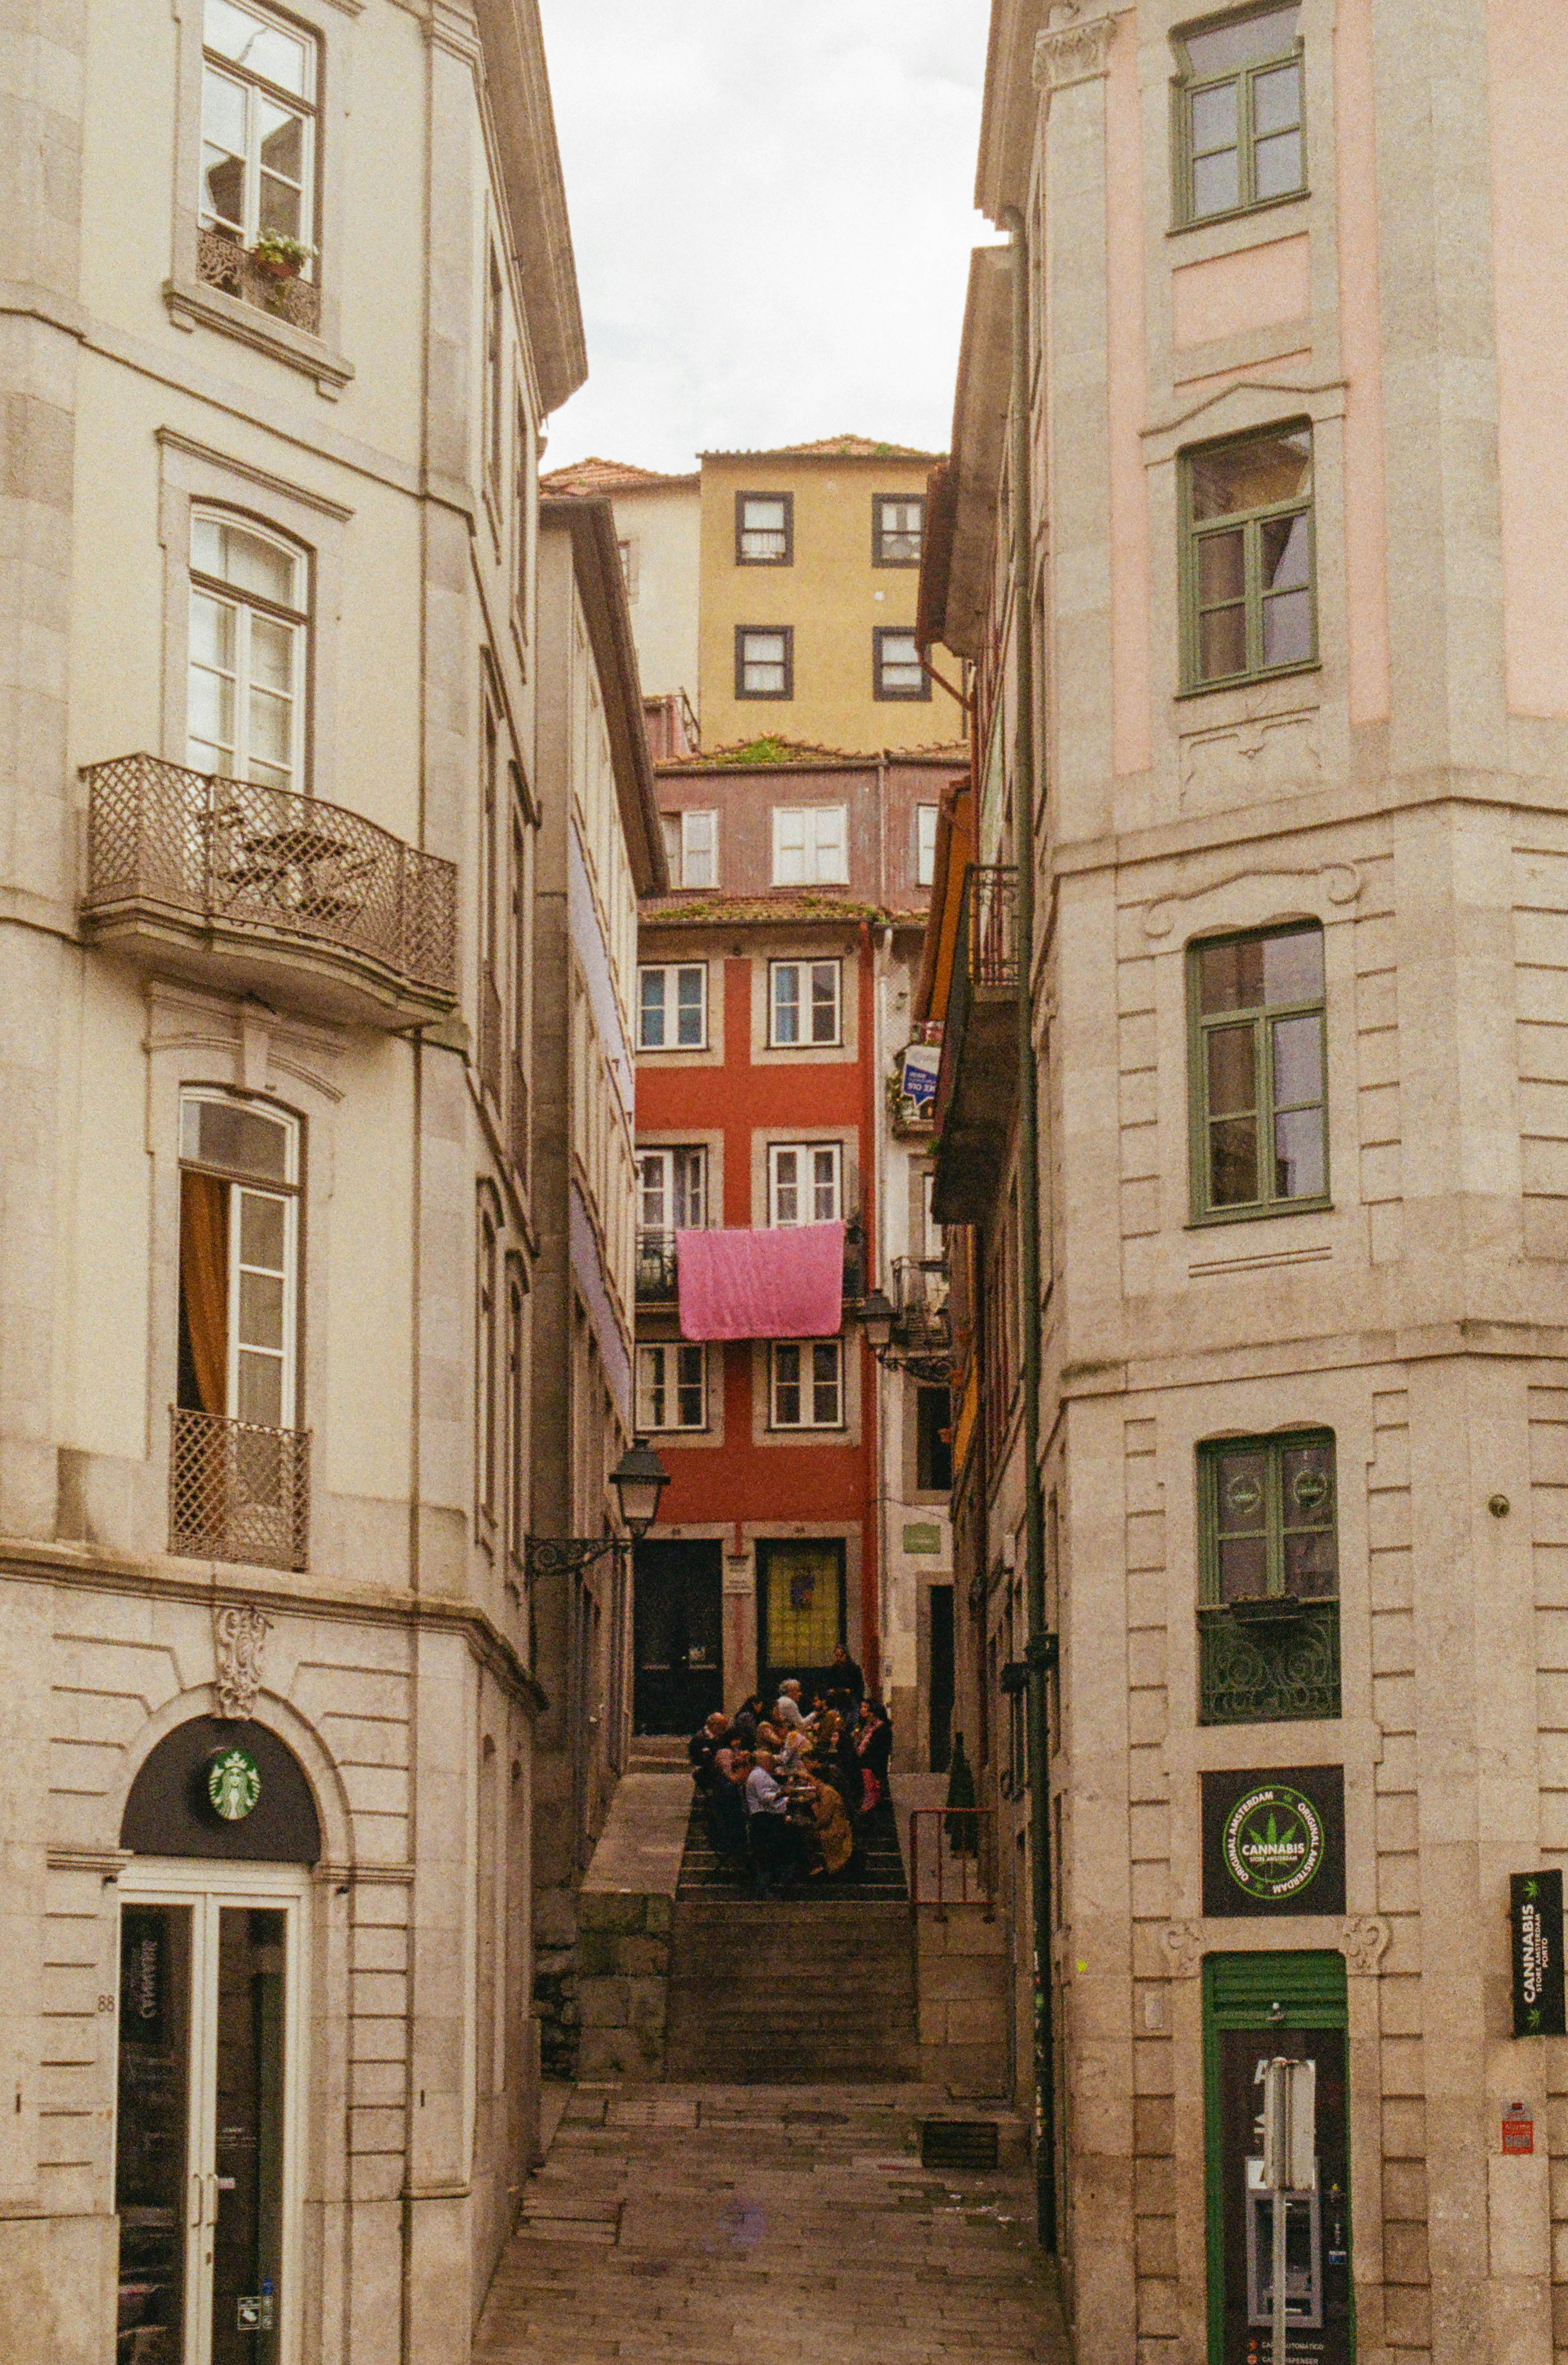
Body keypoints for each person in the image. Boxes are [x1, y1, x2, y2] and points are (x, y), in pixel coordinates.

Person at [743, 1748, 802, 1895]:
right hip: (764, 1820)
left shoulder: (762, 1775)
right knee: (767, 1853)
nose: (772, 1762)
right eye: (769, 1759)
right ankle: (768, 1886)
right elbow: (766, 1798)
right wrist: (785, 1793)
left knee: (773, 1852)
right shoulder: (758, 1775)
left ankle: (780, 1882)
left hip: (768, 1818)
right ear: (762, 1761)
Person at [688, 1711, 729, 1791]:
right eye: (722, 1727)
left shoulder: (717, 1737)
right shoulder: (701, 1739)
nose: (724, 1731)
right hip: (704, 1771)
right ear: (714, 1725)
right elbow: (704, 1760)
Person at [829, 1642, 865, 1706]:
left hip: (852, 1699)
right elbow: (830, 1686)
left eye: (841, 1656)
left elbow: (860, 1688)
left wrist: (850, 1691)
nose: (839, 1659)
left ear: (846, 1656)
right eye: (837, 1656)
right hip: (837, 1698)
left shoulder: (855, 1669)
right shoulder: (834, 1669)